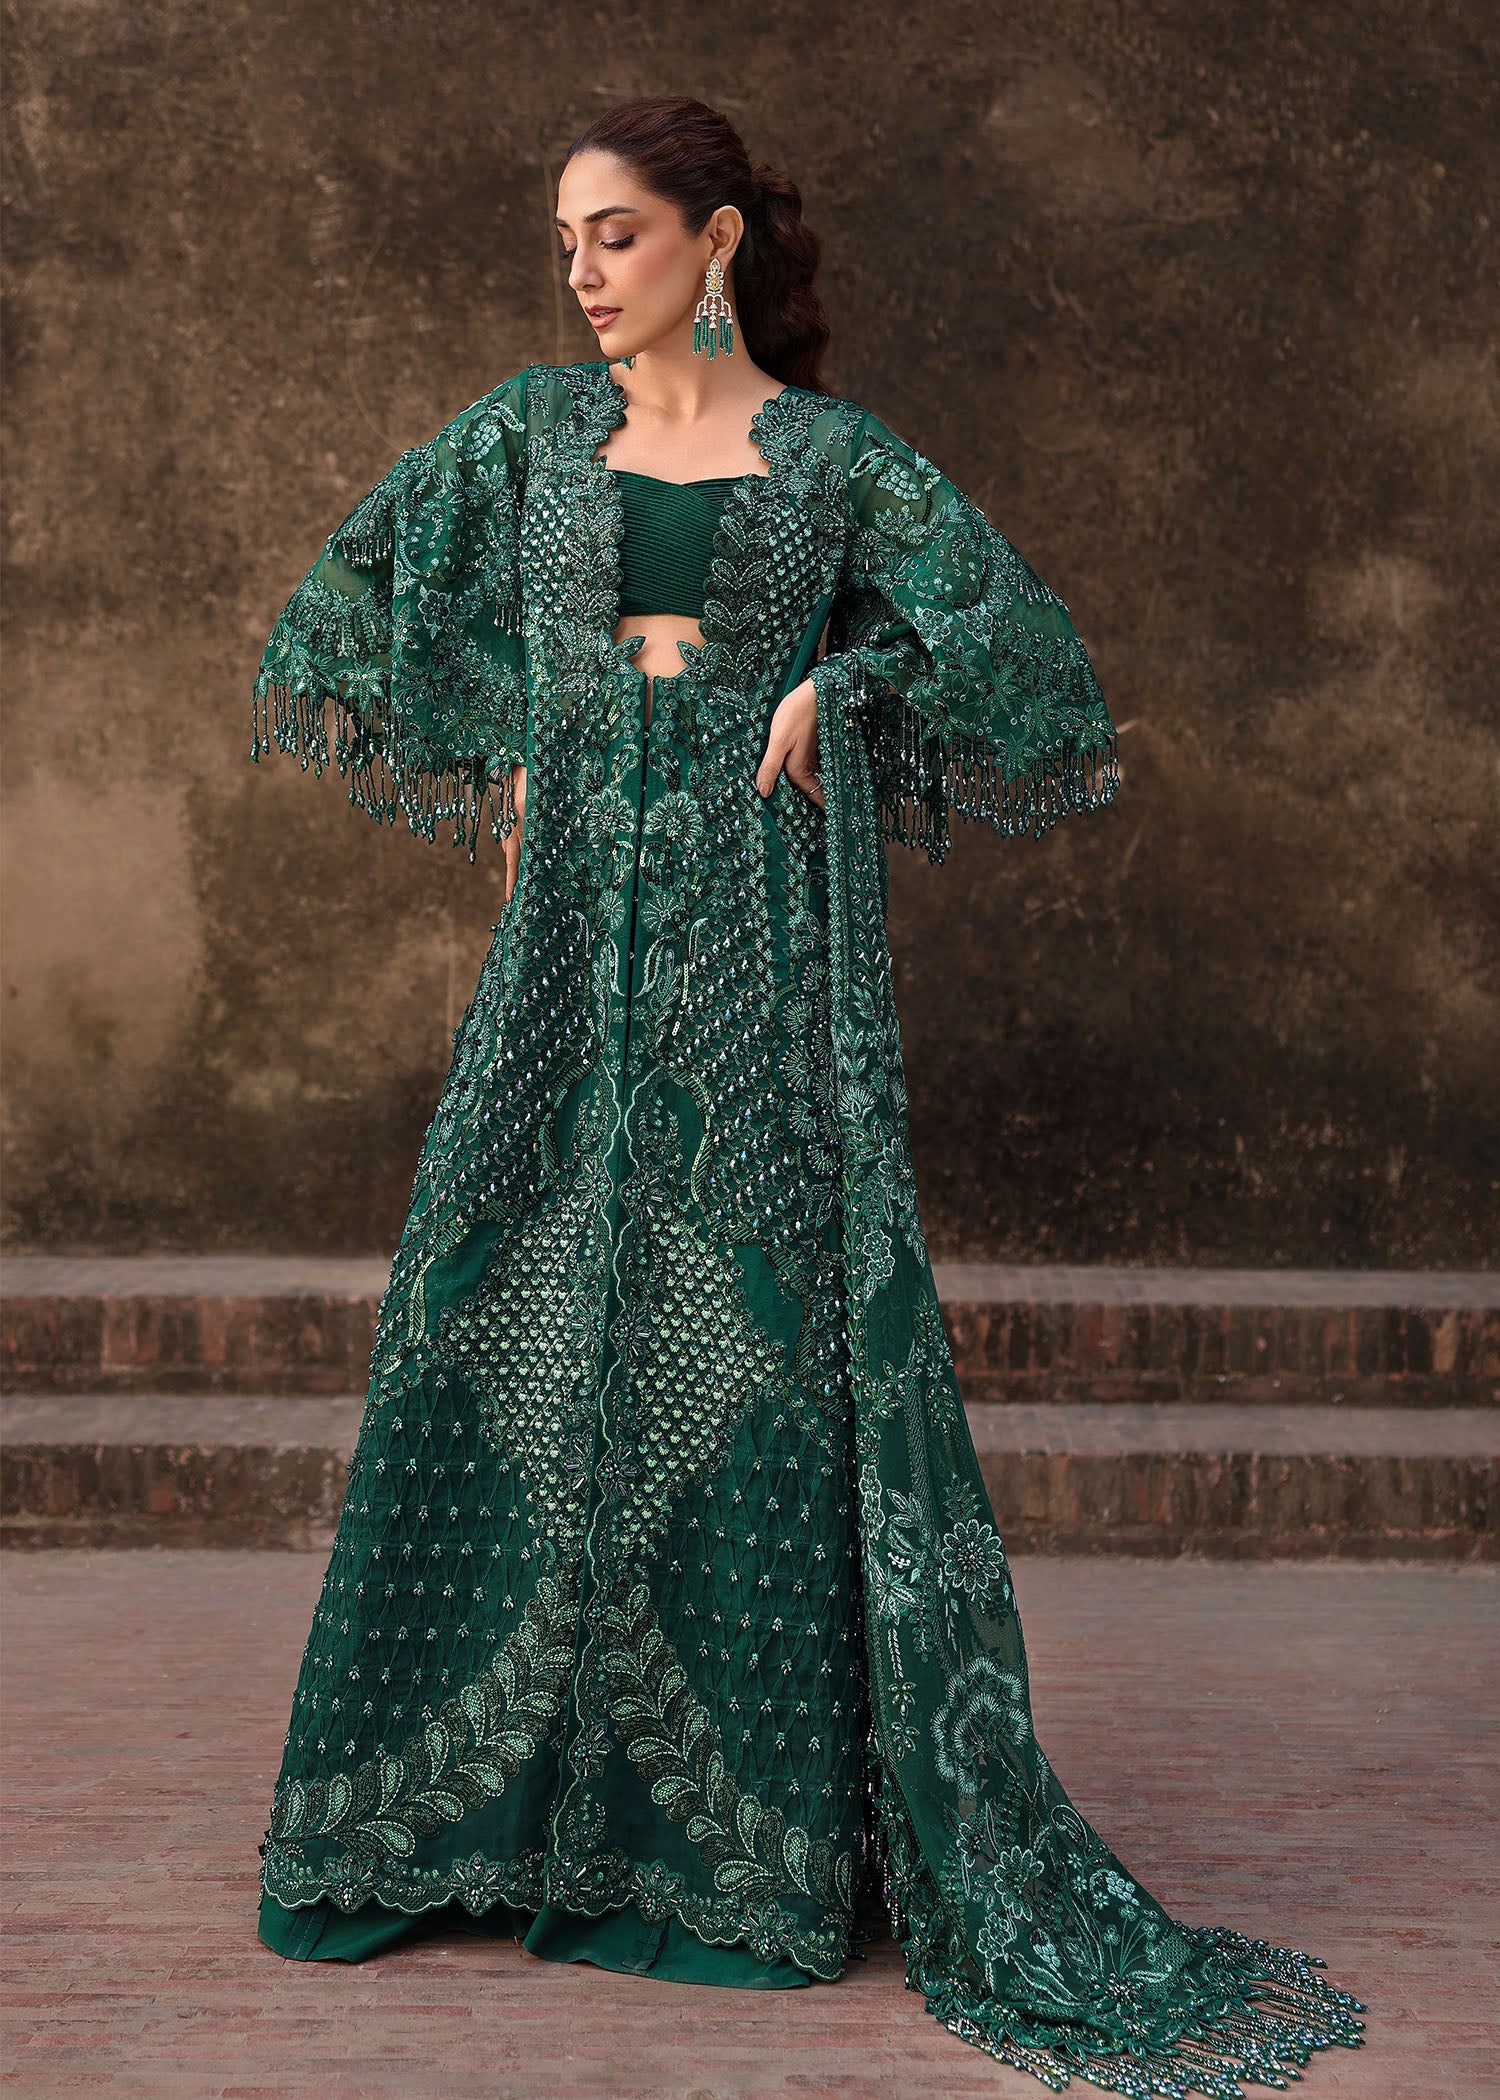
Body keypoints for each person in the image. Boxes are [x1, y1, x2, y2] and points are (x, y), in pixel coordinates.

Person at [249, 94, 1366, 2091]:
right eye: (566, 239)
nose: (580, 272)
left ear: (719, 240)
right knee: (499, 1333)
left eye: (614, 232)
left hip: (753, 947)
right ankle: (450, 1828)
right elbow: (351, 608)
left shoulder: (838, 465)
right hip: (568, 935)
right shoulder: (526, 435)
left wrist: (840, 691)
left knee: (746, 1352)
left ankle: (718, 1857)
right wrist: (526, 732)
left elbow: (1029, 669)